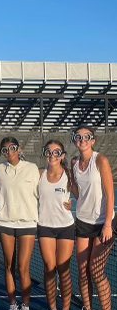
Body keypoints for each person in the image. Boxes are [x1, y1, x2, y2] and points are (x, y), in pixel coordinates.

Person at [71, 126, 115, 310]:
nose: (82, 140)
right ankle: (87, 307)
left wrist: (107, 225)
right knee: (83, 272)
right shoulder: (74, 163)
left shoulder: (100, 160)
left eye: (87, 137)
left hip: (102, 223)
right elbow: (78, 193)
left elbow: (110, 193)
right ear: (75, 140)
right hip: (82, 221)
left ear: (93, 140)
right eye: (78, 137)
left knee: (96, 271)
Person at [0, 137, 39, 310]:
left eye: (12, 147)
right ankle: (13, 304)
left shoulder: (32, 168)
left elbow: (42, 191)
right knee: (9, 266)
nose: (9, 152)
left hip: (27, 223)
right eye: (5, 150)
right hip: (5, 223)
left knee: (23, 267)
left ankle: (25, 305)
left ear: (19, 148)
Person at [37, 139, 74, 310]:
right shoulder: (39, 174)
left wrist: (73, 202)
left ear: (62, 156)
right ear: (45, 154)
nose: (52, 155)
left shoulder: (69, 176)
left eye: (56, 152)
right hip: (45, 227)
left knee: (63, 269)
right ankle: (52, 307)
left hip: (65, 227)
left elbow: (84, 195)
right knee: (49, 268)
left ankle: (65, 308)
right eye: (49, 152)